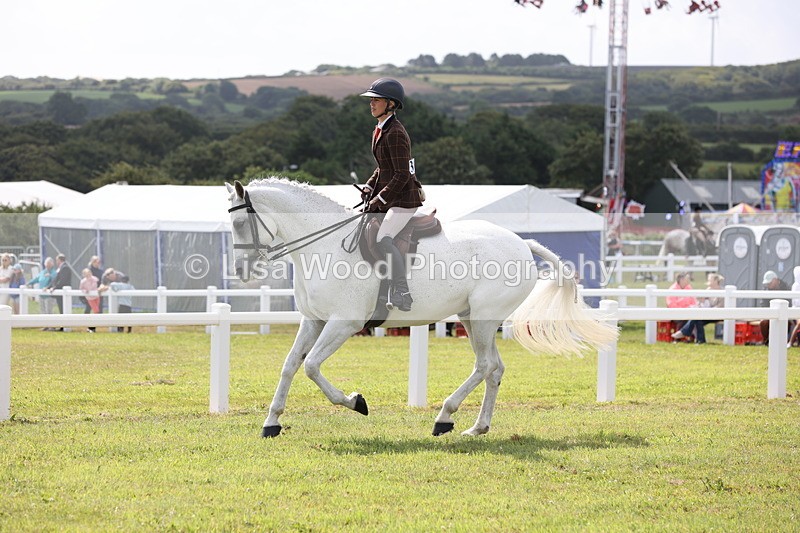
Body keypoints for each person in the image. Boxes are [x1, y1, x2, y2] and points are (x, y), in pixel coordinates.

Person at [358, 78, 423, 312]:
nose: (371, 104)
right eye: (371, 100)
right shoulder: (380, 129)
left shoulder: (395, 132)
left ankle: (402, 290)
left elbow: (402, 173)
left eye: (377, 100)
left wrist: (379, 199)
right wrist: (369, 186)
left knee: (383, 238)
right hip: (391, 196)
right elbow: (383, 168)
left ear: (391, 104)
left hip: (404, 199)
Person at [671, 273, 724, 344]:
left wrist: (707, 310)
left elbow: (720, 306)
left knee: (697, 317)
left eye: (709, 279)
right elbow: (702, 302)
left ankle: (684, 332)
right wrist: (701, 302)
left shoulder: (722, 291)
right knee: (698, 319)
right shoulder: (708, 290)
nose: (708, 281)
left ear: (715, 281)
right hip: (708, 314)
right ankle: (701, 340)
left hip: (717, 314)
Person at [758, 270, 793, 345]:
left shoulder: (786, 288)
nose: (768, 285)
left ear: (775, 280)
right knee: (763, 322)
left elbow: (789, 302)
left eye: (769, 283)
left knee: (786, 322)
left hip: (784, 313)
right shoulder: (766, 290)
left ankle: (782, 341)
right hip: (769, 313)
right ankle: (766, 341)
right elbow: (763, 304)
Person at [79, 268, 100, 332]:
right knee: (96, 311)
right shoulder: (83, 281)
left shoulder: (95, 279)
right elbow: (81, 289)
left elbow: (97, 286)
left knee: (96, 312)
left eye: (89, 273)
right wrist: (85, 291)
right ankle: (91, 326)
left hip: (96, 297)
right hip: (90, 298)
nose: (88, 275)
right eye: (87, 274)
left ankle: (92, 327)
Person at [789, 266, 800, 348]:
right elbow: (796, 302)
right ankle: (791, 342)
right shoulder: (796, 286)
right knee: (799, 323)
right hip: (796, 310)